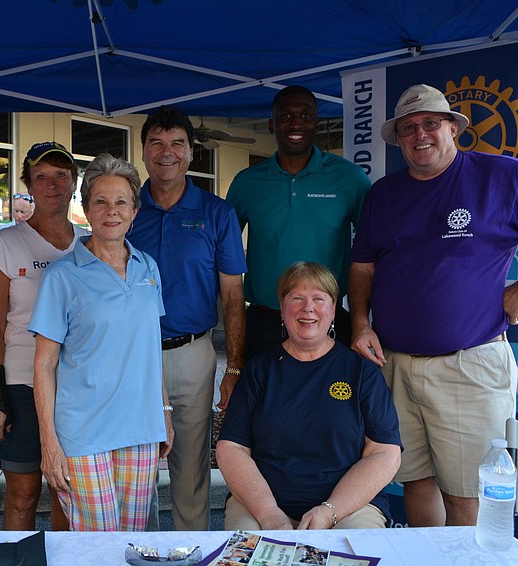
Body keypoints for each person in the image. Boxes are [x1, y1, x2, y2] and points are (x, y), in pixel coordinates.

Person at [350, 83, 518, 527]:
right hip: (394, 365)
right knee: (415, 483)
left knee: (467, 496)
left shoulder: (503, 177)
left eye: (430, 123)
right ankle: (429, 559)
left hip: (469, 365)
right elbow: (362, 267)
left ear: (454, 128)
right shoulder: (384, 193)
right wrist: (360, 322)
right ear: (398, 139)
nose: (420, 135)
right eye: (408, 128)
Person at [30, 154, 172, 531]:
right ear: (87, 209)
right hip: (83, 433)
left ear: (134, 211)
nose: (112, 211)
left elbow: (150, 348)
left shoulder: (148, 267)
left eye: (122, 202)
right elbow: (44, 364)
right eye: (101, 201)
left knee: (130, 540)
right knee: (98, 543)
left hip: (141, 430)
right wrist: (49, 442)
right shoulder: (62, 276)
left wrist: (164, 412)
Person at [127, 105, 247, 531]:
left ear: (192, 152)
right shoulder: (126, 210)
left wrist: (233, 368)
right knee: (136, 466)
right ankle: (139, 551)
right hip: (131, 355)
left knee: (191, 468)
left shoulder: (217, 213)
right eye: (156, 143)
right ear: (143, 150)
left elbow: (233, 295)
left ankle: (189, 551)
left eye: (177, 143)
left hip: (192, 353)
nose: (167, 152)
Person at [216, 262, 401, 530]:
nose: (308, 308)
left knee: (354, 549)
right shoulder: (259, 371)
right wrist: (268, 513)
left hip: (348, 508)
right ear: (282, 309)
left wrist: (329, 512)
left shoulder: (361, 372)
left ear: (333, 310)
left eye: (318, 299)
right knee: (252, 549)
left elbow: (385, 453)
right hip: (261, 506)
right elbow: (231, 448)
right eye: (297, 299)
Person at [0, 142, 87, 530]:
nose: (52, 185)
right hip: (21, 384)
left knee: (67, 492)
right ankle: (16, 556)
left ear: (73, 183)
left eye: (61, 176)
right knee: (23, 494)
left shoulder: (90, 244)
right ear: (28, 185)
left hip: (75, 388)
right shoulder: (5, 243)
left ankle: (61, 558)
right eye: (41, 177)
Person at [226, 85, 370, 359]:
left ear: (317, 122)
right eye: (286, 116)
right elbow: (223, 252)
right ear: (272, 124)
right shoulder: (247, 183)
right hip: (264, 322)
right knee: (262, 389)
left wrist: (362, 321)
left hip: (326, 321)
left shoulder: (350, 179)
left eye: (305, 116)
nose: (296, 124)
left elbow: (370, 254)